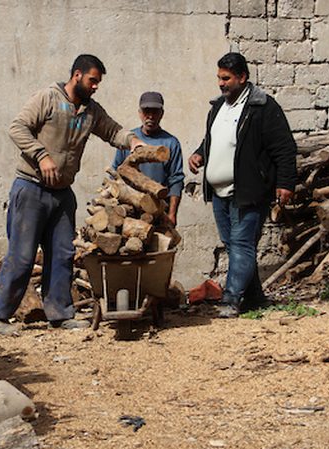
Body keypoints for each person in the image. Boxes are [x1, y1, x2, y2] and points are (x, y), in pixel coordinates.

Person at [0, 54, 146, 334]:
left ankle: (60, 314)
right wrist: (41, 156)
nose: (96, 86)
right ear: (77, 76)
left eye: (98, 82)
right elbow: (17, 128)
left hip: (61, 194)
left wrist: (132, 141)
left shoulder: (90, 110)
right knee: (22, 256)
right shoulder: (48, 98)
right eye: (93, 80)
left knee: (62, 254)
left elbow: (112, 131)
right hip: (31, 187)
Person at [188, 52, 296, 318]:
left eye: (226, 78)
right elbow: (213, 139)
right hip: (219, 192)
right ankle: (255, 297)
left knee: (242, 242)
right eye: (219, 78)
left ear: (242, 77)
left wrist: (285, 183)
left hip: (248, 189)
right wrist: (200, 153)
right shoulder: (218, 108)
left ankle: (232, 298)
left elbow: (284, 148)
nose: (221, 84)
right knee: (234, 244)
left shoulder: (263, 107)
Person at [111, 91, 184, 225]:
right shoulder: (130, 140)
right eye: (146, 111)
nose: (150, 116)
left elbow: (176, 180)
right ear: (139, 112)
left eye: (155, 112)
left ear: (161, 114)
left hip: (158, 208)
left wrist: (172, 213)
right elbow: (115, 172)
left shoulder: (171, 143)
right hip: (128, 208)